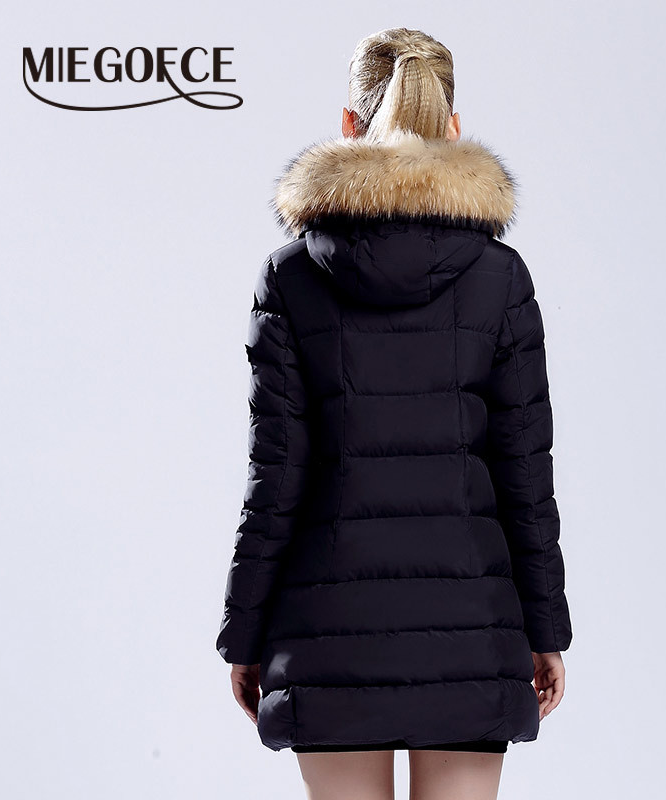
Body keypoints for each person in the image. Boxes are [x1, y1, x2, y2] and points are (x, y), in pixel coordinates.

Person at [215, 26, 572, 800]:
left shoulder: (290, 279)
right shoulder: (501, 279)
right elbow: (525, 477)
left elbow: (275, 480)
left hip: (326, 635)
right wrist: (546, 630)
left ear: (349, 126)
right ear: (453, 128)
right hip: (472, 631)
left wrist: (244, 634)